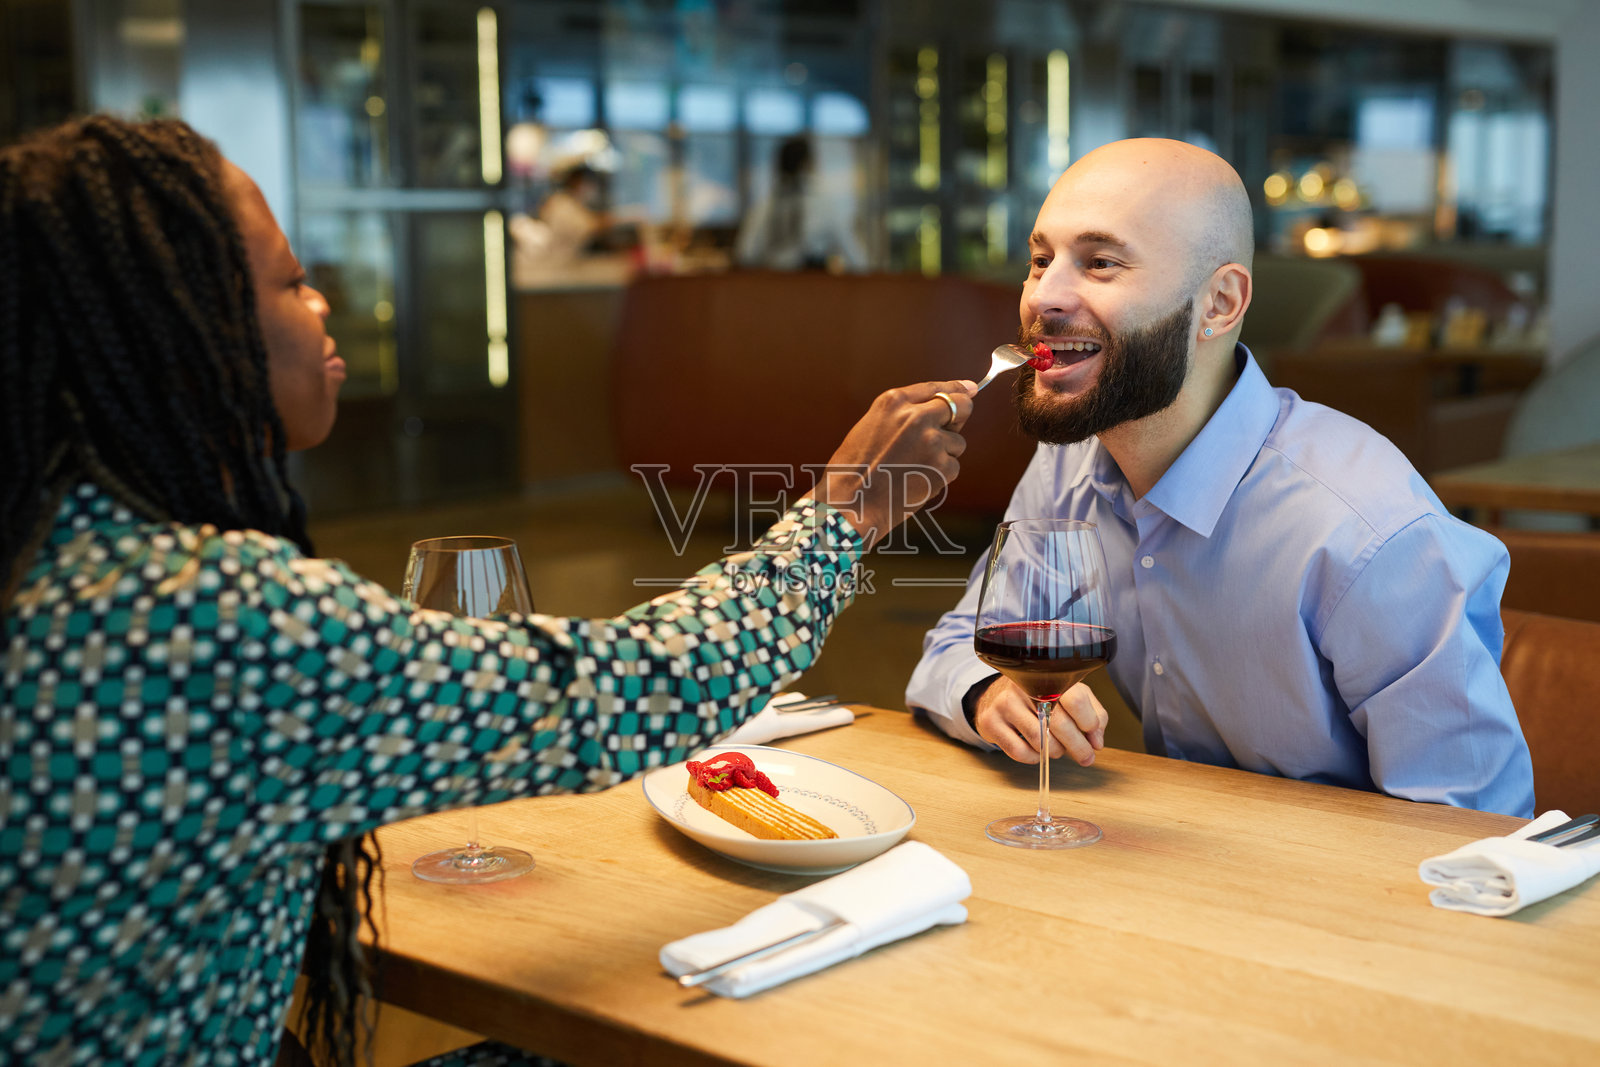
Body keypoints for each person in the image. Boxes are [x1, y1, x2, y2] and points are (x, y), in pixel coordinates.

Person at [0, 115, 976, 1066]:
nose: (324, 302)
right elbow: (627, 688)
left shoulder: (51, 557)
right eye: (293, 282)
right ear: (177, 332)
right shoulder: (202, 619)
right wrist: (840, 513)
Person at [906, 138, 1533, 818]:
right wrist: (992, 694)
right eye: (1039, 260)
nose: (1043, 296)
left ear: (1220, 303)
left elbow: (1473, 831)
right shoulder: (1071, 463)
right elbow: (954, 647)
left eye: (1101, 263)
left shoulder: (1368, 531)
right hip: (1173, 874)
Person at [735, 135, 867, 272]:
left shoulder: (764, 207)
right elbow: (856, 258)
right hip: (812, 285)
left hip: (772, 284)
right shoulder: (824, 205)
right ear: (808, 164)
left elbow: (746, 253)